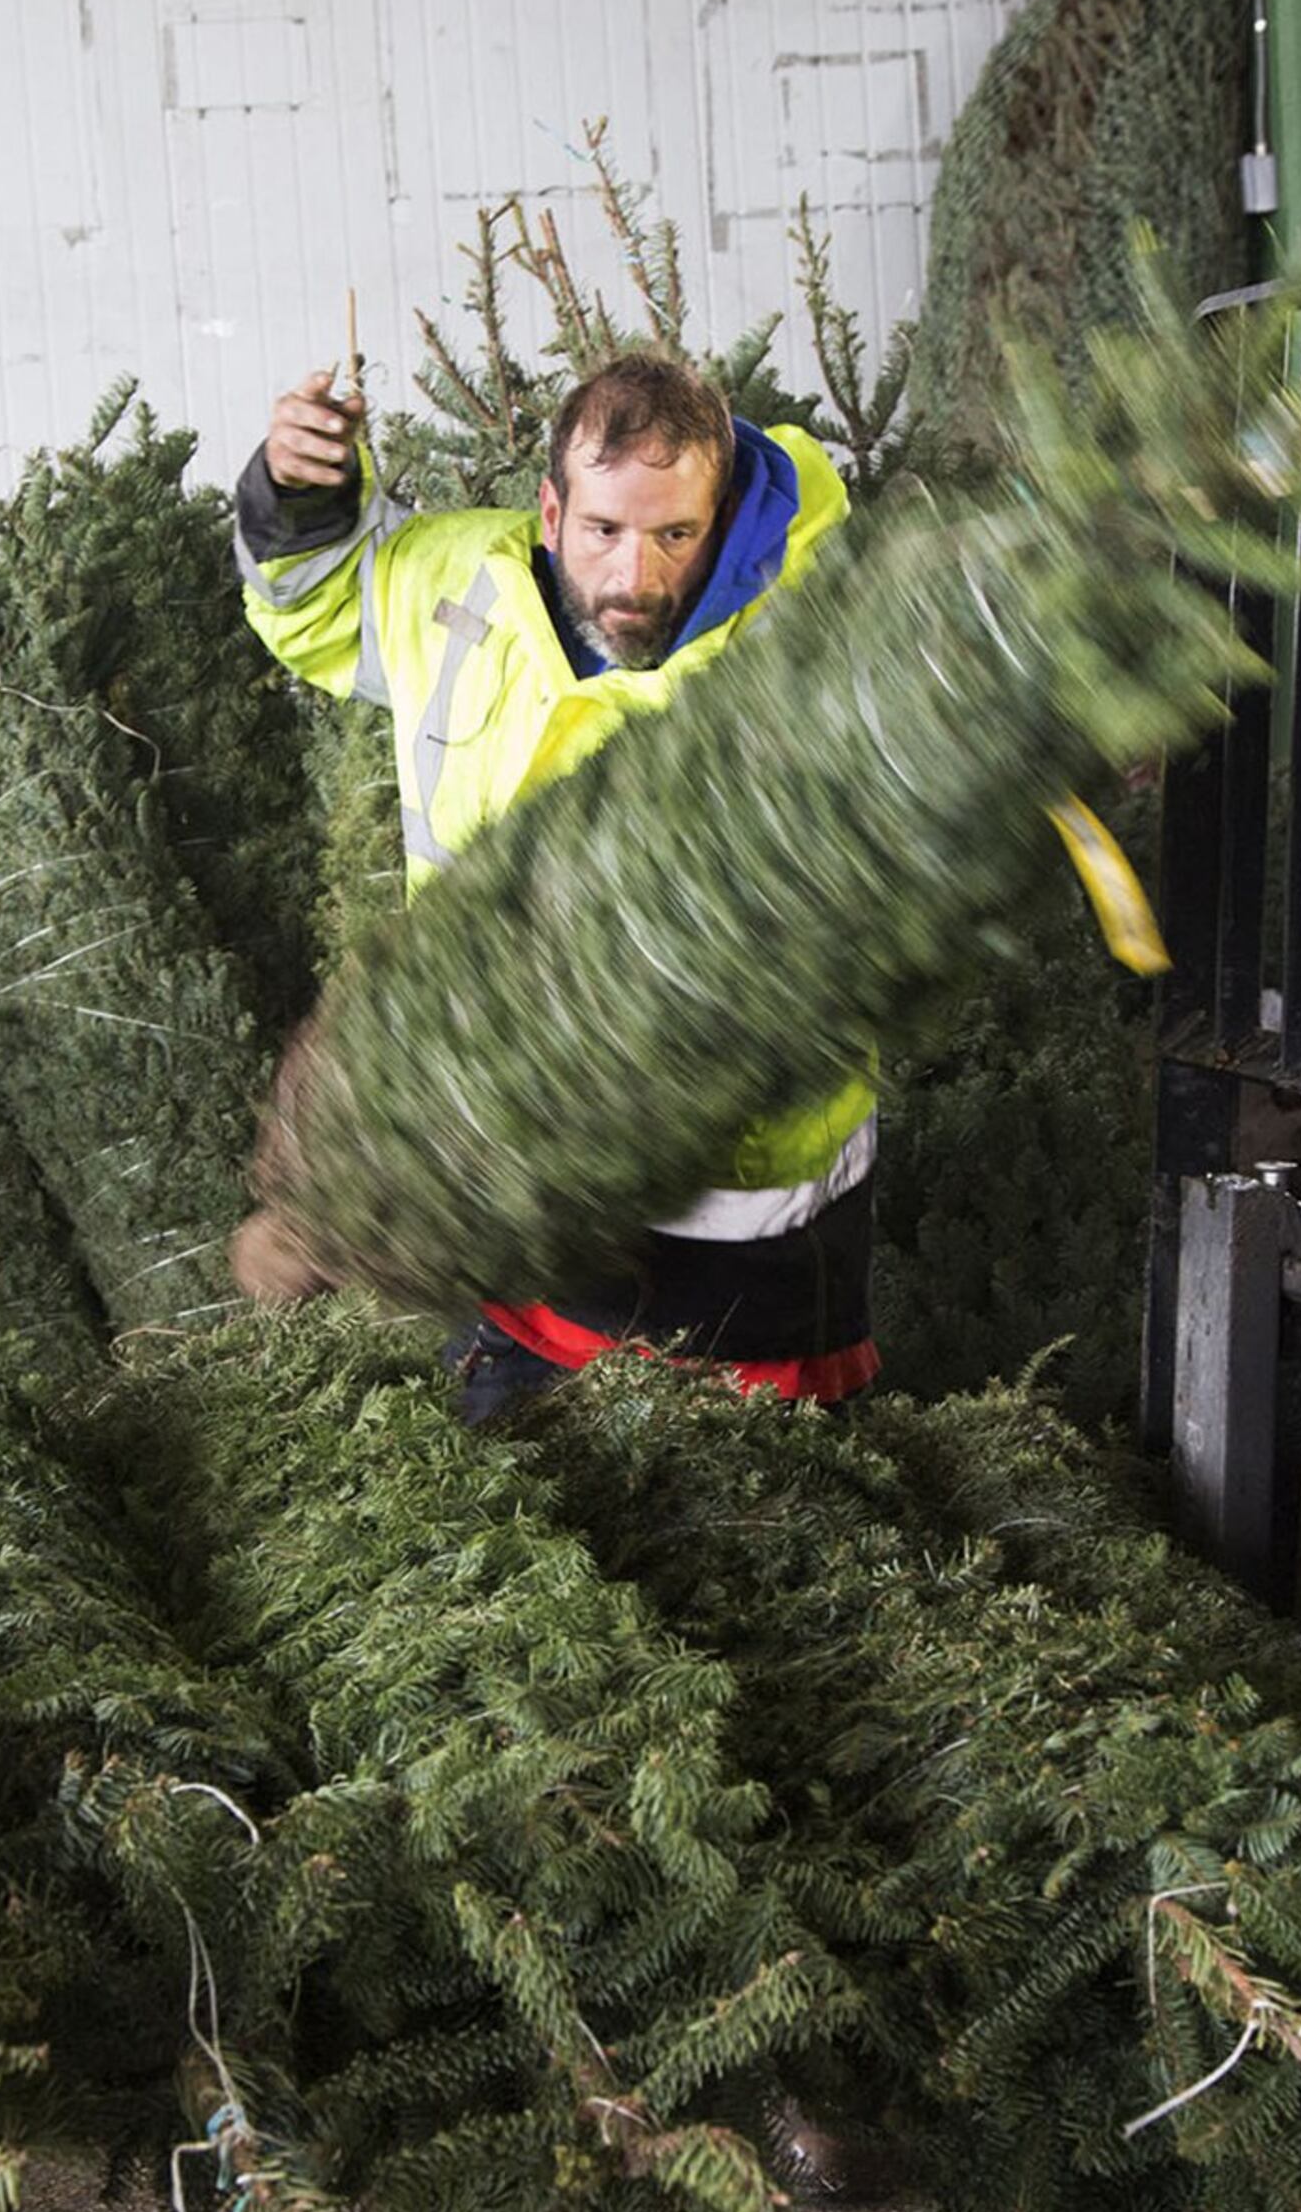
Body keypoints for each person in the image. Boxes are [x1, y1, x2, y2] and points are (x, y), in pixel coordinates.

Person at [227, 347, 876, 1419]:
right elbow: (313, 604)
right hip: (514, 1202)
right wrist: (302, 489)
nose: (636, 578)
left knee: (736, 1523)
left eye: (678, 534)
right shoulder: (455, 587)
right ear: (549, 510)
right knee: (524, 1517)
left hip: (739, 1227)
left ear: (723, 513)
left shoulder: (809, 642)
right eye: (604, 532)